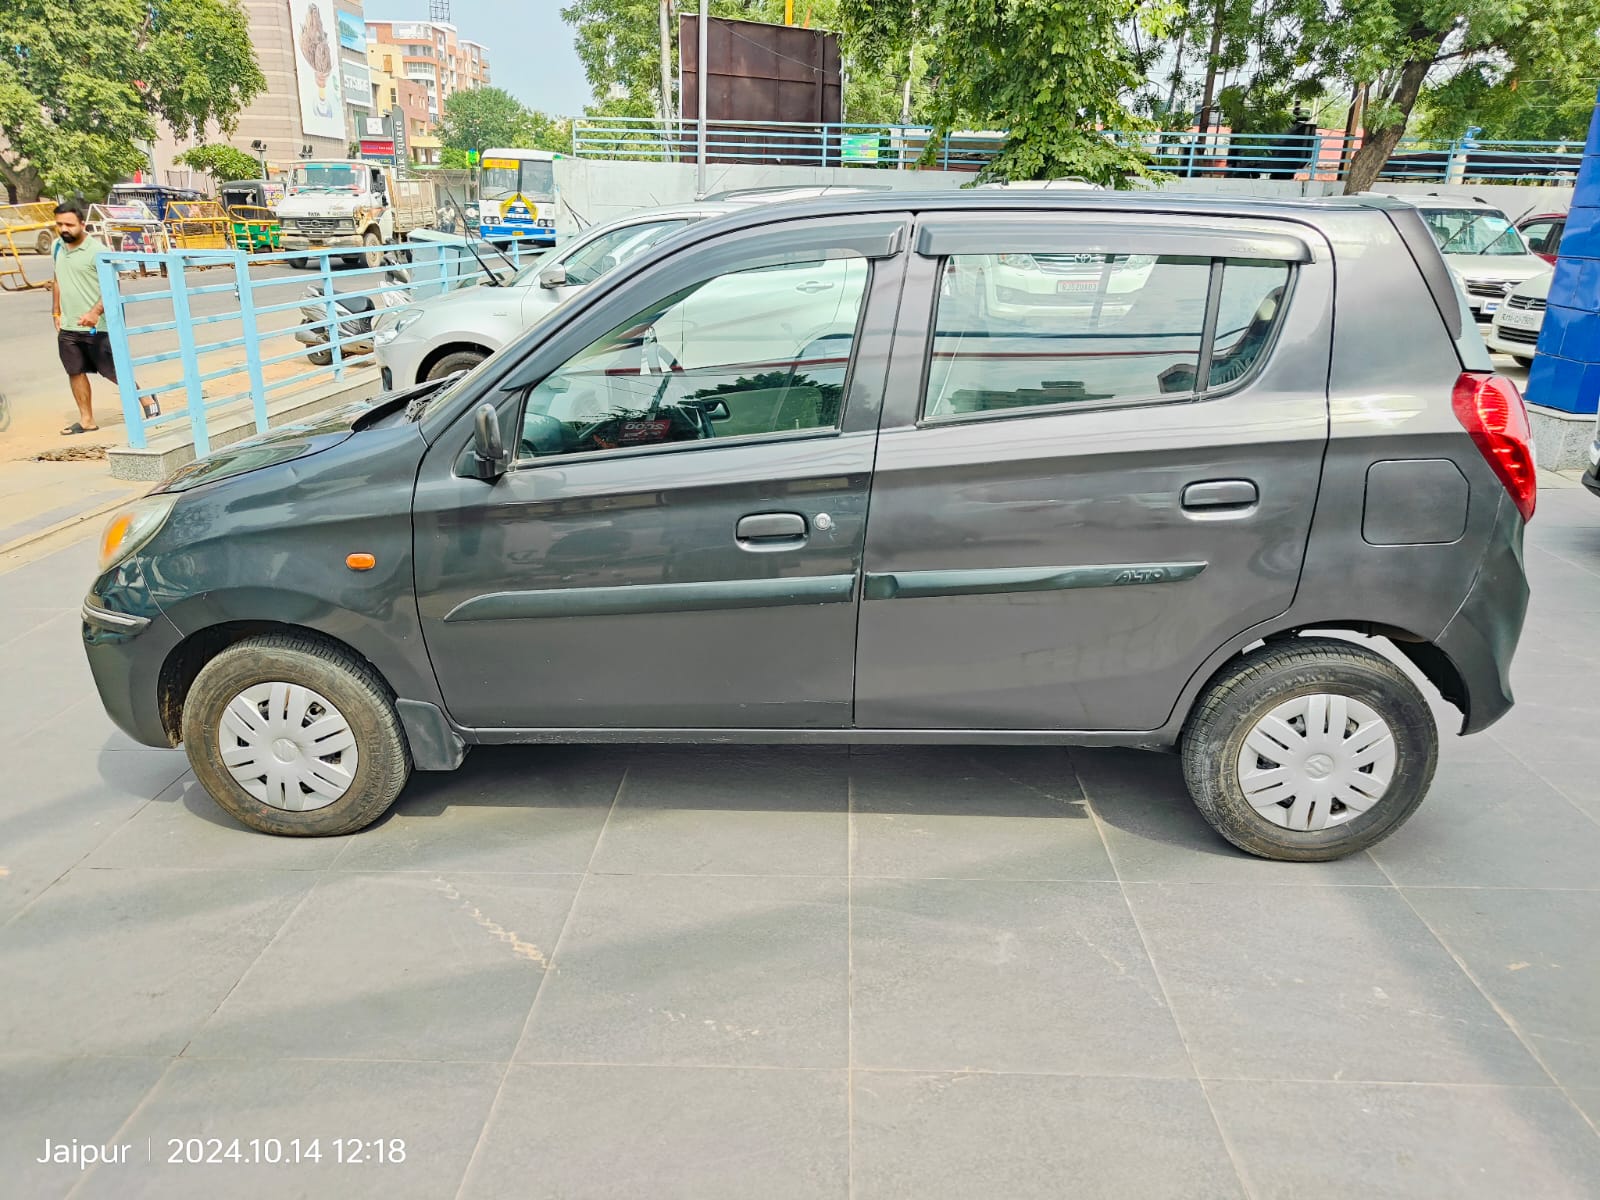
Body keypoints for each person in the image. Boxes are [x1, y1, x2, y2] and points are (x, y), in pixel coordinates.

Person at [51, 200, 157, 435]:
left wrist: (94, 312)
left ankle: (146, 399)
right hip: (69, 324)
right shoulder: (57, 247)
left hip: (99, 325)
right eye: (59, 224)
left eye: (69, 224)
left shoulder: (97, 252)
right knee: (75, 371)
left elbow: (112, 287)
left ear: (82, 224)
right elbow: (57, 279)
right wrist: (56, 311)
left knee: (112, 370)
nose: (64, 229)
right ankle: (87, 419)